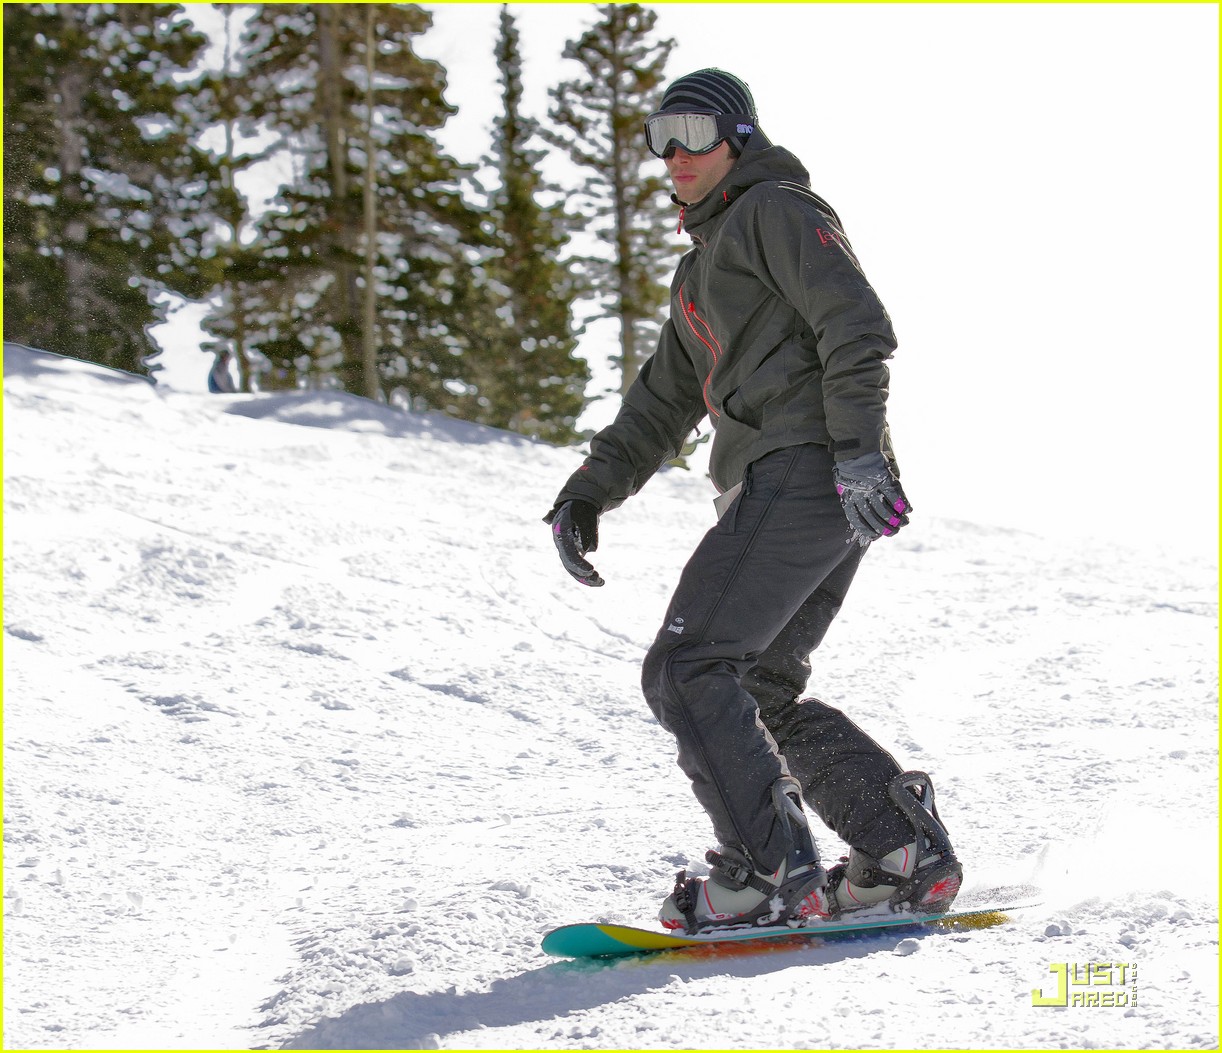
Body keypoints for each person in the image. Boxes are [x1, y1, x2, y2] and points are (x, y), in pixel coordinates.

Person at [544, 69, 961, 934]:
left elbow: (855, 323)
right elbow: (663, 400)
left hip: (807, 467)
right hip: (805, 482)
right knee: (759, 686)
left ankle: (768, 871)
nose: (675, 153)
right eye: (659, 136)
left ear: (739, 138)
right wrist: (589, 491)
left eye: (695, 131)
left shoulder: (775, 209)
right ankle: (897, 851)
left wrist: (857, 453)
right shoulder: (700, 272)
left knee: (687, 666)